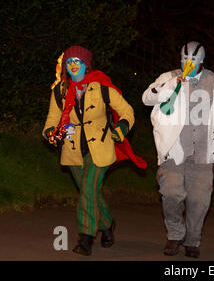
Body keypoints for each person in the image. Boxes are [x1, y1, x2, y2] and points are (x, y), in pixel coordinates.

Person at [142, 41, 214, 258]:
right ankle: (174, 235)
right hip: (173, 150)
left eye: (192, 61)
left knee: (199, 201)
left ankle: (192, 240)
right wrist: (173, 83)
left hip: (203, 152)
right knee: (171, 192)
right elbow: (147, 98)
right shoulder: (168, 77)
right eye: (184, 60)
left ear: (201, 61)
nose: (188, 64)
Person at [43, 45, 146, 256]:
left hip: (100, 146)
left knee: (88, 189)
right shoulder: (59, 90)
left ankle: (86, 237)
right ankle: (107, 224)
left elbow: (127, 111)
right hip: (72, 149)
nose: (73, 65)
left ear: (86, 65)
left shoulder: (101, 86)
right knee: (89, 192)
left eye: (77, 62)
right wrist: (50, 133)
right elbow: (51, 120)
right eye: (69, 62)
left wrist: (123, 126)